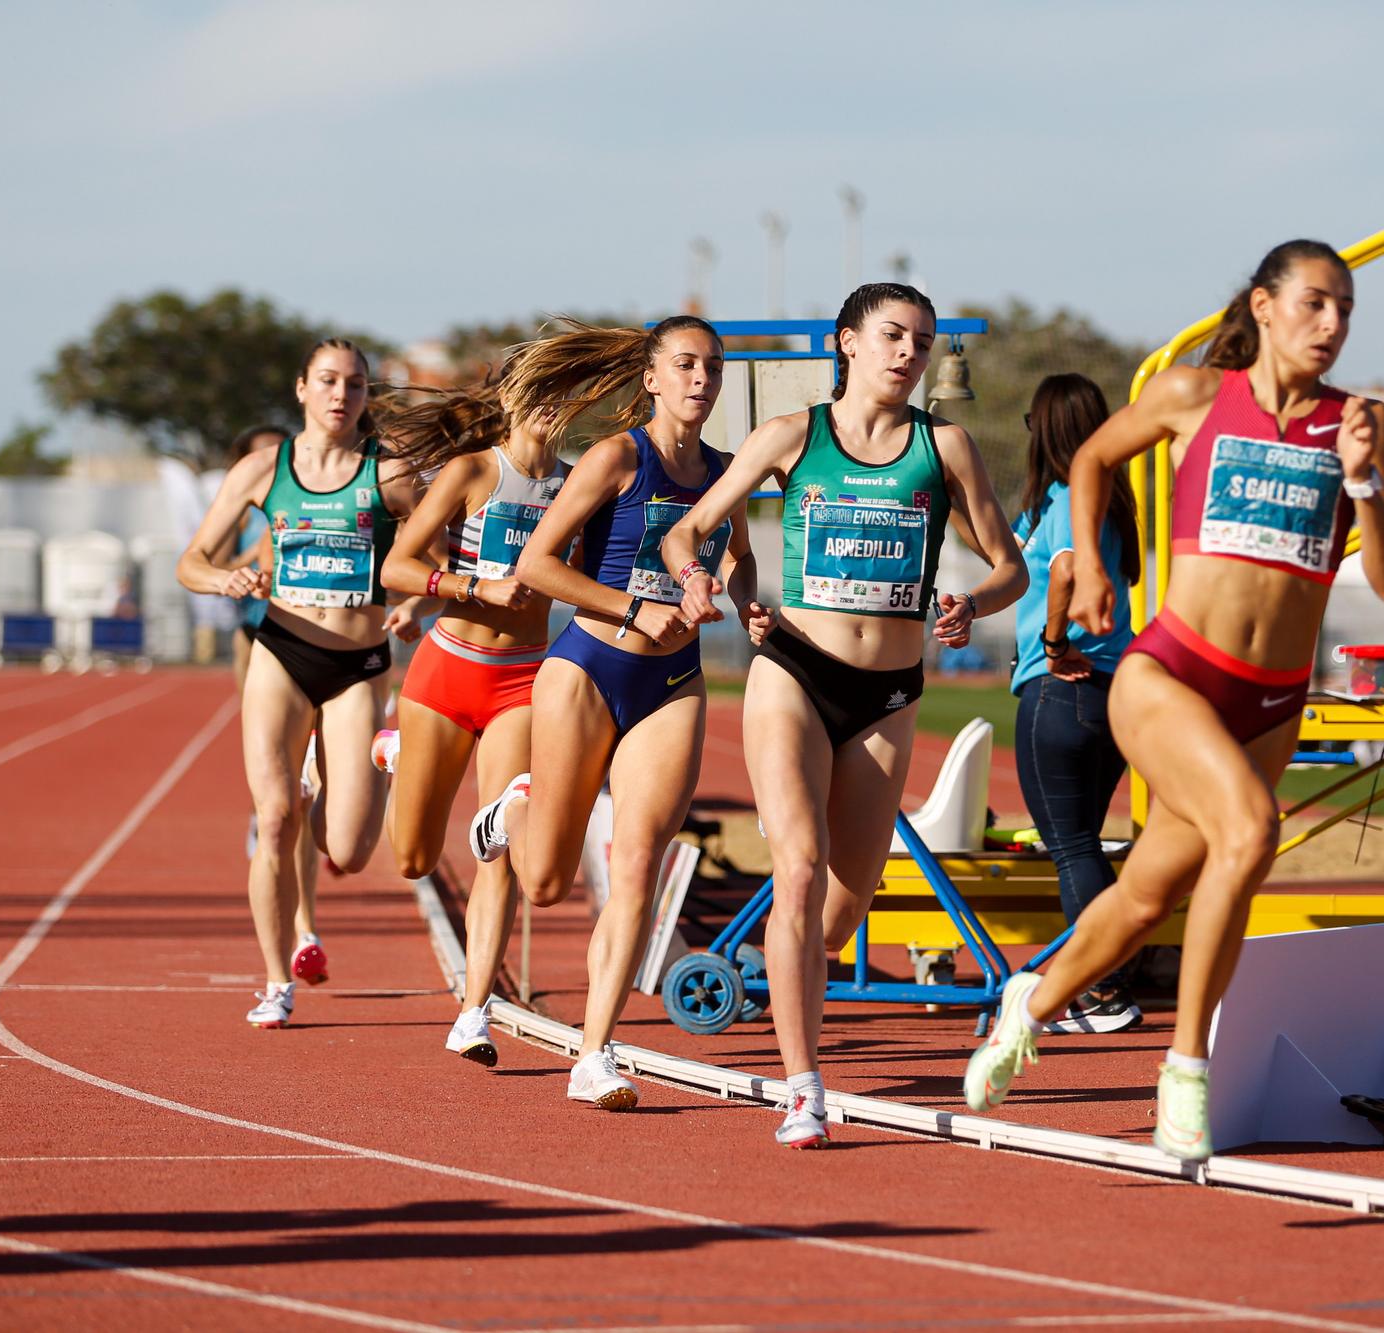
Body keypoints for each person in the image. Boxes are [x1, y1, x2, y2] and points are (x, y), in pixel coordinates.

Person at [963, 240, 1384, 1159]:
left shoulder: (1361, 423)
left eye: (1346, 311)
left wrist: (1367, 482)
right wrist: (1089, 563)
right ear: (1263, 305)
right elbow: (1091, 461)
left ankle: (1031, 1003)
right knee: (1251, 830)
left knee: (1142, 898)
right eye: (1315, 304)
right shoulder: (1193, 396)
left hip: (1270, 701)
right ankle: (1186, 1066)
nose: (1331, 325)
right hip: (1169, 673)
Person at [663, 283, 1027, 1148]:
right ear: (848, 343)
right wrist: (696, 577)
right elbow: (688, 531)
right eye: (893, 335)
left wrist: (973, 606)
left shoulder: (945, 447)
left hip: (888, 695)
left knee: (845, 900)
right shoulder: (792, 437)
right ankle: (803, 1087)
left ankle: (779, 966)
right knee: (798, 862)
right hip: (793, 670)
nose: (909, 352)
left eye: (923, 340)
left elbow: (1009, 566)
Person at [470, 317, 759, 1111]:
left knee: (637, 862)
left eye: (713, 366)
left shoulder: (728, 472)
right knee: (547, 884)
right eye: (685, 365)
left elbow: (736, 553)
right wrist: (633, 608)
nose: (702, 378)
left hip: (674, 680)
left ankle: (594, 1053)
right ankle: (515, 810)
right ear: (653, 378)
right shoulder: (615, 458)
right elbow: (537, 565)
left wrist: (750, 603)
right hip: (586, 670)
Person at [176, 339, 429, 1028]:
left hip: (358, 665)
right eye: (327, 381)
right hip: (281, 653)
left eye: (354, 383)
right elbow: (191, 560)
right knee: (276, 818)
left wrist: (417, 600)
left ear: (367, 395)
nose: (340, 394)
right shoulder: (264, 469)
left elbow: (437, 550)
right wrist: (222, 576)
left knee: (345, 850)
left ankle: (362, 765)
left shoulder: (392, 475)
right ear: (301, 390)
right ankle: (273, 979)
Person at [375, 366, 567, 1069]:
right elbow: (398, 564)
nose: (550, 408)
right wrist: (464, 585)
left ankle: (474, 1009)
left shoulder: (579, 483)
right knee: (412, 857)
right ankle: (395, 753)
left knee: (502, 850)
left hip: (523, 678)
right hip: (446, 671)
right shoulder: (472, 472)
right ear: (510, 400)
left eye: (562, 396)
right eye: (539, 393)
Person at [1007, 374, 1142, 1035]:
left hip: (1064, 686)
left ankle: (1101, 989)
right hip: (1112, 691)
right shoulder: (1113, 503)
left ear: (1048, 430)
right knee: (1081, 844)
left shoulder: (1069, 498)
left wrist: (1054, 639)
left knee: (1072, 846)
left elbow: (1063, 569)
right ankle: (1105, 978)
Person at [221, 425, 291, 858]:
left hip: (303, 627)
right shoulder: (242, 508)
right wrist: (240, 571)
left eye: (275, 451)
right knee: (260, 732)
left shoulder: (308, 494)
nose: (267, 460)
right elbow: (216, 560)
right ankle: (260, 811)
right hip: (253, 629)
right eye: (258, 453)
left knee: (305, 733)